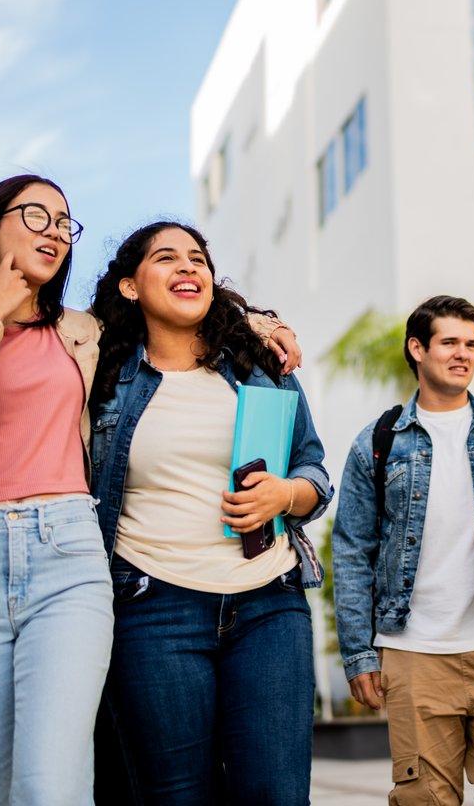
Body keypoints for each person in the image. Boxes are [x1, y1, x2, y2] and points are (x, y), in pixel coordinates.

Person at [0, 176, 298, 806]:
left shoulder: (81, 331)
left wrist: (258, 319)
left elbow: (172, 308)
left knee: (53, 784)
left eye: (65, 223)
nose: (55, 232)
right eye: (36, 216)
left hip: (68, 554)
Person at [88, 221, 332, 806]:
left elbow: (315, 473)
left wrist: (284, 496)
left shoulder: (258, 366)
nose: (187, 268)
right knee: (176, 795)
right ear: (129, 287)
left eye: (197, 259)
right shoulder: (101, 374)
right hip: (153, 607)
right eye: (167, 259)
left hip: (269, 602)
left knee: (276, 793)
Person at [333, 296, 474, 806]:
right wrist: (359, 653)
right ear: (417, 348)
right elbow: (351, 551)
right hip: (414, 655)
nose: (463, 354)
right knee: (424, 800)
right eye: (449, 342)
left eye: (472, 344)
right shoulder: (379, 442)